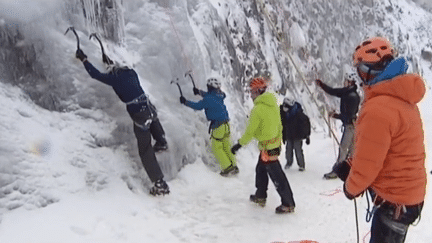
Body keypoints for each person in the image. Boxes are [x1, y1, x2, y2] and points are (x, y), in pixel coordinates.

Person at [333, 36, 426, 242]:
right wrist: (351, 164)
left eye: (359, 70)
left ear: (368, 71)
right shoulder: (401, 99)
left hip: (394, 201)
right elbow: (387, 150)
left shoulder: (378, 108)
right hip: (407, 196)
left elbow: (369, 164)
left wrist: (351, 187)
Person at [75, 49, 170, 196]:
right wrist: (110, 64)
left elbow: (95, 75)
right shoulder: (131, 72)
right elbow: (121, 77)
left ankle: (160, 183)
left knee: (145, 150)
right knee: (153, 120)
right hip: (149, 107)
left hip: (139, 113)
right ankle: (161, 141)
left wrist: (84, 60)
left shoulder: (115, 78)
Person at [231, 77, 295, 214]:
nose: (251, 95)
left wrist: (239, 145)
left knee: (277, 176)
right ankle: (260, 195)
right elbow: (279, 124)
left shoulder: (258, 109)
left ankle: (288, 203)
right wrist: (278, 141)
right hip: (273, 145)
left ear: (258, 92)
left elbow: (250, 132)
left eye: (252, 92)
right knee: (260, 170)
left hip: (267, 147)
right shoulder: (273, 104)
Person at [179, 77, 238, 176]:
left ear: (209, 87)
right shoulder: (220, 95)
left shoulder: (208, 99)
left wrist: (185, 102)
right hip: (226, 124)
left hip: (218, 126)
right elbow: (211, 96)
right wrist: (199, 92)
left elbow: (198, 106)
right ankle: (234, 165)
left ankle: (227, 167)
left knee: (217, 147)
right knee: (226, 145)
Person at [315, 72, 360, 179]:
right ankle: (350, 170)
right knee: (351, 150)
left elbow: (348, 116)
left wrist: (335, 115)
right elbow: (333, 91)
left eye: (346, 81)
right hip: (352, 125)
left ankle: (338, 171)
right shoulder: (347, 92)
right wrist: (322, 85)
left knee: (344, 148)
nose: (344, 82)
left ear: (350, 82)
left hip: (351, 126)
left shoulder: (352, 96)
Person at [280, 98, 311, 171]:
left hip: (298, 136)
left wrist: (307, 136)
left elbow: (306, 125)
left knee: (298, 151)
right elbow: (282, 125)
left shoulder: (299, 114)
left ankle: (301, 165)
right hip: (289, 135)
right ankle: (289, 162)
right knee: (288, 150)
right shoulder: (283, 114)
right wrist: (283, 135)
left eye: (286, 106)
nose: (284, 108)